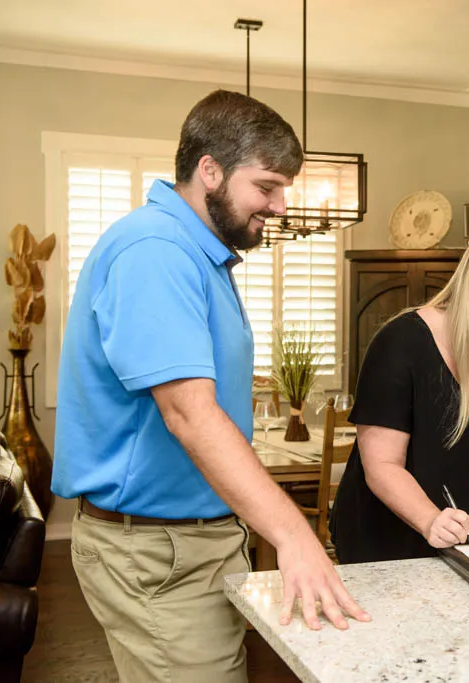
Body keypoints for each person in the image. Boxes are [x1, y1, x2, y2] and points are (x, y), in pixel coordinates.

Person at [52, 89, 369, 682]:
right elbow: (190, 415)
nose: (279, 207)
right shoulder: (156, 251)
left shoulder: (200, 254)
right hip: (156, 553)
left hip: (195, 540)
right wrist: (295, 537)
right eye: (268, 187)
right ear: (210, 170)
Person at [331, 222, 469, 563]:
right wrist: (430, 520)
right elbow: (382, 465)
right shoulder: (401, 342)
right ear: (466, 283)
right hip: (389, 552)